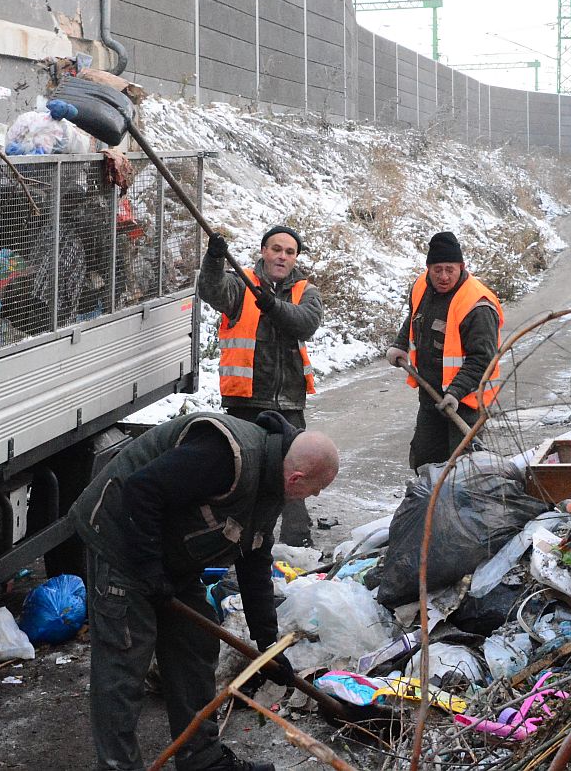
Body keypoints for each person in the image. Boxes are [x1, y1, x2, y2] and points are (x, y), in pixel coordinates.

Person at [70, 411, 339, 771]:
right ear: (297, 477)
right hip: (120, 539)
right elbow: (141, 489)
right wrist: (150, 570)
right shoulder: (224, 455)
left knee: (195, 645)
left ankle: (202, 761)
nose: (313, 495)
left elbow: (254, 554)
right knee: (125, 661)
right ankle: (119, 766)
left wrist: (267, 645)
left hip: (168, 557)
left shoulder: (273, 480)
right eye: (315, 489)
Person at [197, 225, 323, 546]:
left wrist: (271, 305)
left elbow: (304, 323)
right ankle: (234, 542)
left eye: (289, 252)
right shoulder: (240, 285)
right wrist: (213, 259)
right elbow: (211, 291)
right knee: (242, 476)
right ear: (264, 251)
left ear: (295, 258)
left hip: (288, 404)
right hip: (246, 401)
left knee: (295, 475)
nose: (282, 256)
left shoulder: (306, 292)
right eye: (276, 249)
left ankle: (298, 542)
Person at [384, 232, 504, 469]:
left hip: (468, 402)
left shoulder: (477, 305)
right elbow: (414, 317)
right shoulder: (421, 286)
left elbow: (483, 360)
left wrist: (456, 392)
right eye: (437, 270)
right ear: (428, 268)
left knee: (463, 468)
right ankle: (431, 504)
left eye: (450, 269)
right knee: (424, 460)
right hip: (431, 395)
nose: (444, 276)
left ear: (462, 266)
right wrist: (400, 344)